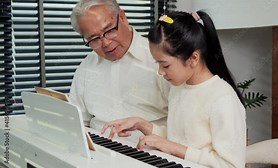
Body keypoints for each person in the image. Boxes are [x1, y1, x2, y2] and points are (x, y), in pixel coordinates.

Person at [101, 10, 246, 168]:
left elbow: (231, 165)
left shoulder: (222, 98)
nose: (160, 72)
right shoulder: (179, 88)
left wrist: (173, 148)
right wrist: (141, 124)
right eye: (157, 64)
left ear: (193, 58)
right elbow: (178, 139)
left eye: (165, 65)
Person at [69, 0, 169, 131]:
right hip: (99, 148)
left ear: (122, 17)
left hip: (149, 147)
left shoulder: (161, 59)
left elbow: (184, 129)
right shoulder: (86, 67)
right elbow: (79, 122)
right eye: (94, 39)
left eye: (109, 30)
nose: (105, 43)